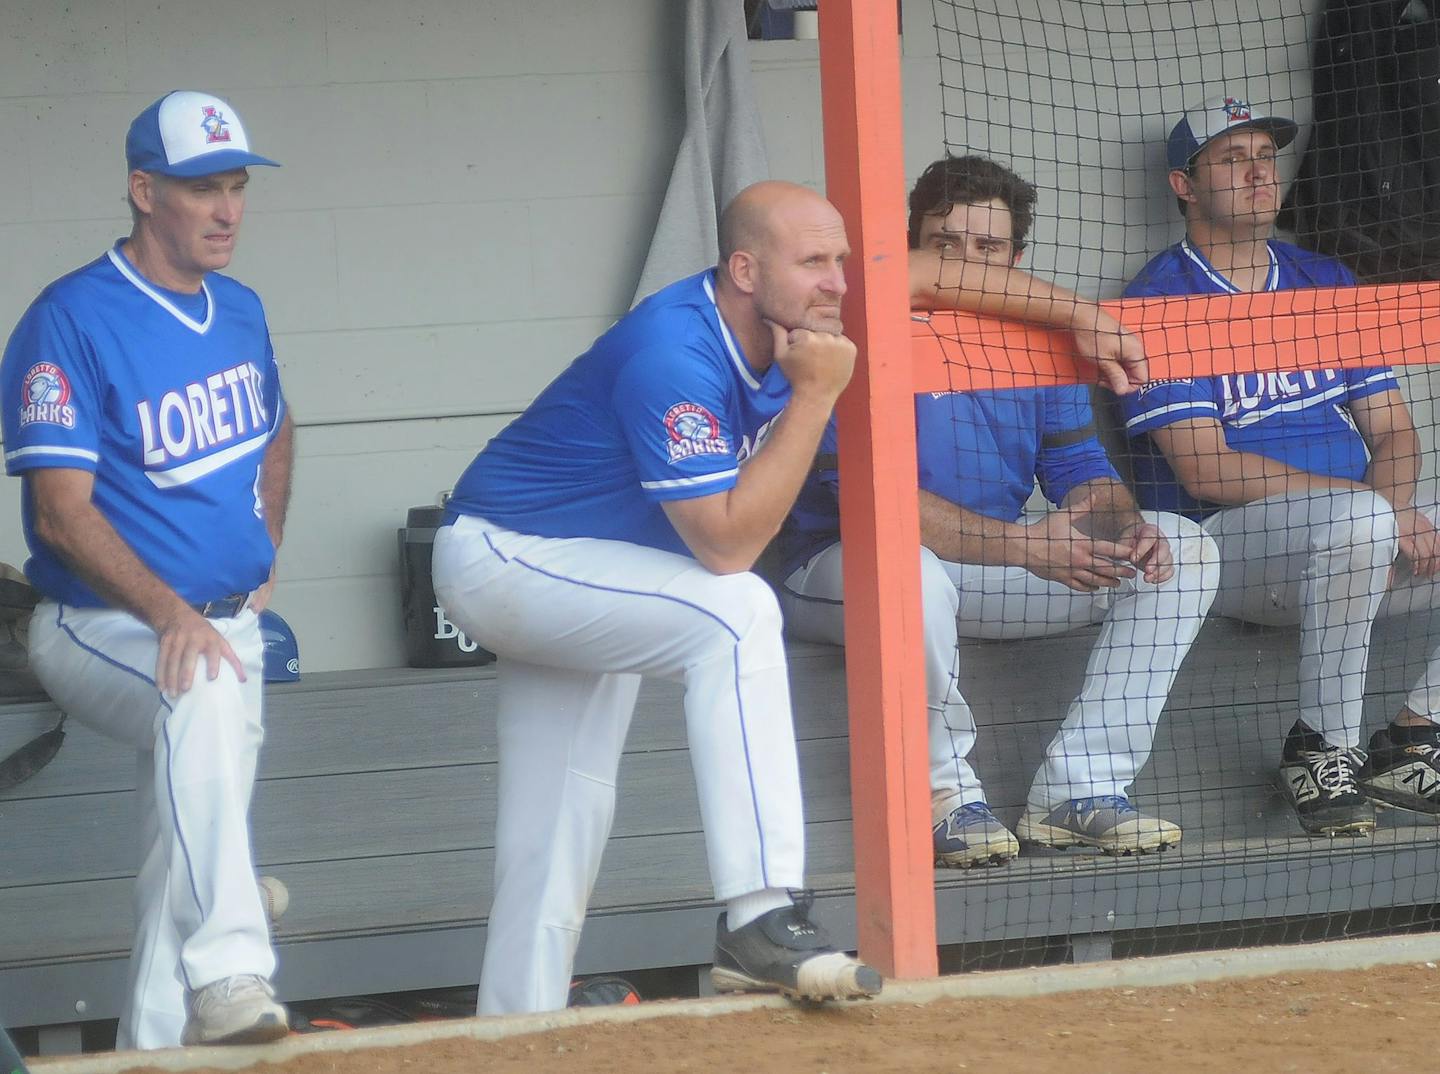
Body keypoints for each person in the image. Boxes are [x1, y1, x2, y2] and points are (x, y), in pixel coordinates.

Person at [432, 181, 882, 1015]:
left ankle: (516, 1027)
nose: (838, 282)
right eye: (814, 261)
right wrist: (816, 396)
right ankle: (760, 912)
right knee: (739, 609)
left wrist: (1083, 317)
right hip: (506, 557)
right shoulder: (676, 351)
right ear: (744, 270)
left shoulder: (799, 329)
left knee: (558, 815)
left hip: (587, 567)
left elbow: (916, 273)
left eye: (841, 260)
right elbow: (726, 543)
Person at [779, 156, 1219, 865]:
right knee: (908, 570)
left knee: (1184, 547)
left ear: (1017, 259)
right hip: (838, 573)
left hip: (985, 570)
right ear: (910, 244)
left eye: (989, 249)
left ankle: (1082, 790)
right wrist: (1025, 547)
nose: (966, 264)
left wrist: (1123, 526)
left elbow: (1082, 473)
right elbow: (870, 503)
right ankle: (944, 800)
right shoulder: (853, 325)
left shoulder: (1037, 339)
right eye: (944, 243)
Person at [0, 91, 293, 1048]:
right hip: (97, 624)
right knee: (200, 694)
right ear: (142, 191)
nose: (227, 209)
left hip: (220, 620)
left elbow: (280, 426)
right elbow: (59, 511)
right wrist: (171, 612)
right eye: (202, 188)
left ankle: (155, 1051)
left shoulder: (242, 308)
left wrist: (265, 550)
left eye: (237, 187)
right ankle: (233, 964)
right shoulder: (71, 319)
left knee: (181, 852)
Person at [1118, 93, 1440, 837]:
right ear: (1184, 186)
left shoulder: (1323, 280)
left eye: (1265, 157)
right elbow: (1206, 470)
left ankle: (1413, 735)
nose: (1259, 175)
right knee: (1358, 519)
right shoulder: (1160, 298)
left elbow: (1395, 431)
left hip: (1361, 544)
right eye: (1233, 160)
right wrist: (1378, 513)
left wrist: (1385, 514)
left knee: (1361, 521)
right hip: (1230, 551)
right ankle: (1323, 747)